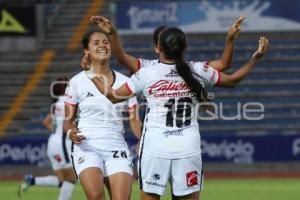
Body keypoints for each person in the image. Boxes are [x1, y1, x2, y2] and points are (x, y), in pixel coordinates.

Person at [82, 27, 269, 199]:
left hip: (155, 148)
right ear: (185, 47)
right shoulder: (198, 70)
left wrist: (90, 72)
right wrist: (255, 58)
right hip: (188, 148)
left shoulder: (146, 73)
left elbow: (113, 96)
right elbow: (233, 80)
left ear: (158, 48)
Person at [63, 30, 142, 200]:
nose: (102, 45)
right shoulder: (76, 82)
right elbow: (67, 122)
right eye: (96, 43)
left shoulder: (127, 83)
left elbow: (134, 120)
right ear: (86, 51)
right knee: (95, 195)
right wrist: (70, 133)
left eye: (105, 42)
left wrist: (143, 139)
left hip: (116, 146)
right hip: (87, 146)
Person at [82, 15, 246, 75]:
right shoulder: (147, 67)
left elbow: (224, 65)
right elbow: (121, 57)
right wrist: (112, 33)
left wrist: (230, 39)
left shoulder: (193, 69)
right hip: (156, 141)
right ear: (156, 47)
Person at [18, 78, 76, 200]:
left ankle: (32, 180)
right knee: (71, 178)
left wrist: (56, 132)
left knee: (62, 180)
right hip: (62, 144)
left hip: (53, 142)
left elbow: (46, 122)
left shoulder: (55, 105)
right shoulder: (68, 102)